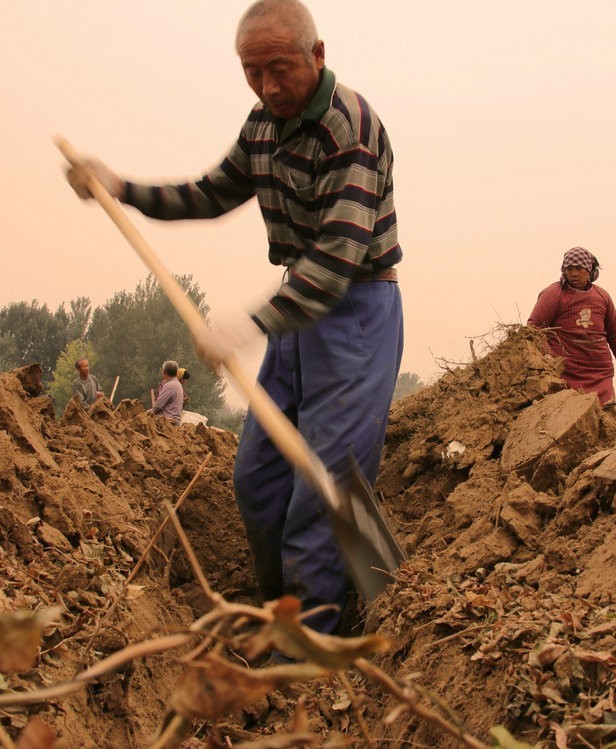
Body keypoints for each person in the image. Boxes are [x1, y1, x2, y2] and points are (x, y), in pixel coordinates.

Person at [65, 0, 403, 635]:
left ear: (317, 55)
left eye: (280, 69)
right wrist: (120, 187)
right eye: (253, 72)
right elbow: (208, 194)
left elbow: (335, 261)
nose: (268, 87)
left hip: (355, 311)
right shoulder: (265, 124)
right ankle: (286, 615)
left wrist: (247, 327)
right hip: (296, 313)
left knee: (317, 497)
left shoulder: (348, 127)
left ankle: (307, 650)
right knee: (258, 481)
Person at [527, 246, 616, 405]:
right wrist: (548, 357)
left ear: (588, 270)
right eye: (569, 269)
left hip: (600, 374)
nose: (573, 274)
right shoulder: (554, 294)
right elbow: (535, 327)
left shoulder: (602, 297)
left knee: (605, 415)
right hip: (566, 373)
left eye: (579, 269)